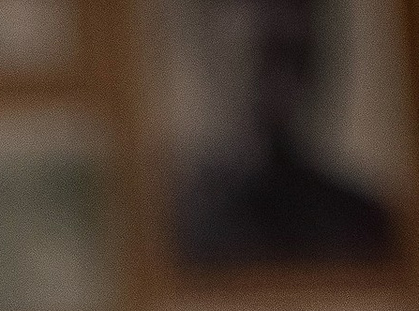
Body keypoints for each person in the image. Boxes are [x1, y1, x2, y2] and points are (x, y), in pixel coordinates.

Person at [168, 0, 405, 273]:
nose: (281, 81)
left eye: (292, 57)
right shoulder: (181, 215)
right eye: (266, 56)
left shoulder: (358, 218)